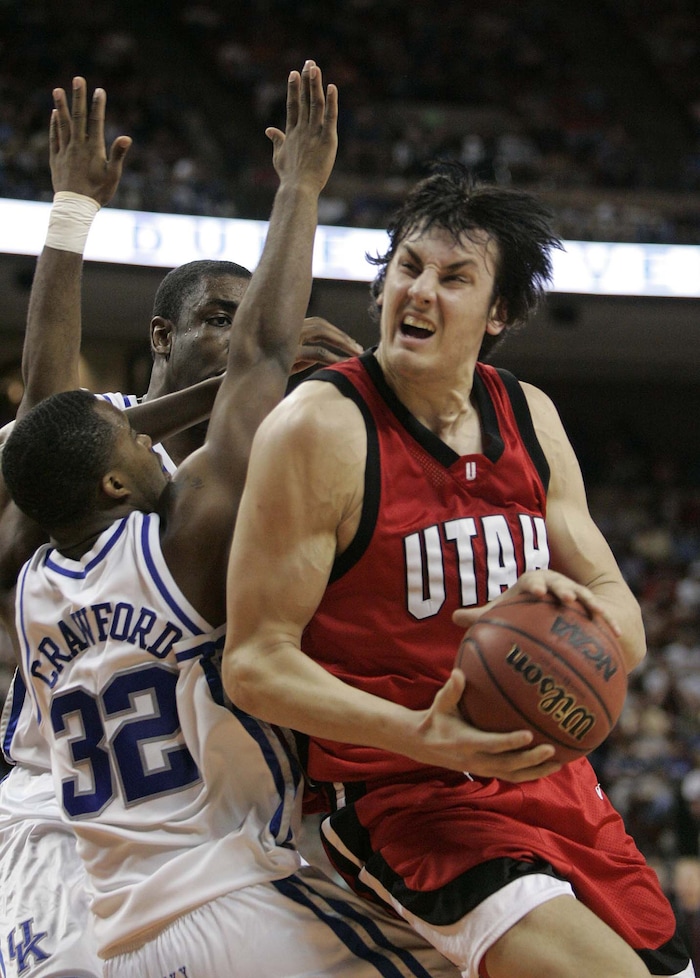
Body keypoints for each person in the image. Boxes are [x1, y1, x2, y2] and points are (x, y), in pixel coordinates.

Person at [2, 62, 463, 978]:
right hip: (65, 813)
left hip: (199, 818)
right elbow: (56, 404)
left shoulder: (86, 510)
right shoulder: (137, 466)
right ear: (164, 337)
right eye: (222, 311)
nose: (247, 320)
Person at [222, 160, 695, 978]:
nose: (419, 292)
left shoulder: (529, 416)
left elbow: (628, 627)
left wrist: (574, 610)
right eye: (407, 267)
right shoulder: (319, 429)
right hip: (400, 794)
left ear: (499, 310)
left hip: (554, 787)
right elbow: (255, 662)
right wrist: (423, 735)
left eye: (453, 277)